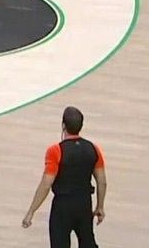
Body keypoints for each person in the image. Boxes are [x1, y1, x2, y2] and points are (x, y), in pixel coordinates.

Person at [22, 106, 107, 248]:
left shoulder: (56, 151)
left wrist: (31, 211)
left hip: (62, 206)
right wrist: (100, 206)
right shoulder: (93, 149)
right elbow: (102, 181)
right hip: (84, 204)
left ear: (63, 125)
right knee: (88, 243)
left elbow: (46, 184)